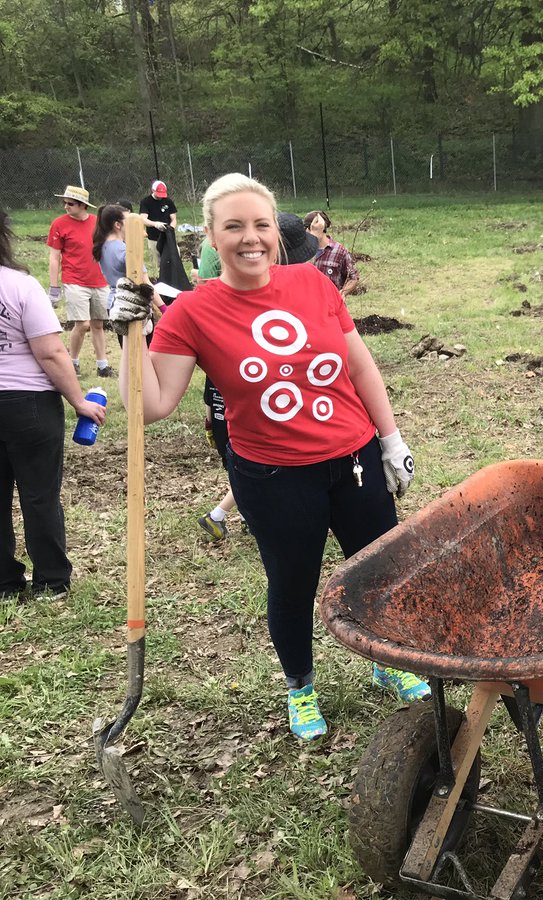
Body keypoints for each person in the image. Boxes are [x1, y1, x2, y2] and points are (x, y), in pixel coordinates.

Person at [109, 174, 429, 741]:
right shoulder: (192, 312)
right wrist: (128, 333)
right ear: (209, 235)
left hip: (354, 459)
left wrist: (391, 438)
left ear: (276, 232)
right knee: (293, 582)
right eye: (233, 227)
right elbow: (152, 406)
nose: (250, 238)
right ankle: (301, 688)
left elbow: (360, 367)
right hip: (272, 477)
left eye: (260, 225)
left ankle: (388, 662)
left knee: (381, 570)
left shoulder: (314, 284)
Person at [0, 206, 107, 600]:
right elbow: (50, 353)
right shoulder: (20, 285)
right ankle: (51, 581)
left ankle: (5, 584)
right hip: (27, 403)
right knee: (39, 493)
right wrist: (79, 400)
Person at [196, 212, 318, 542]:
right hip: (260, 433)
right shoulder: (223, 310)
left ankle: (224, 514)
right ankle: (233, 515)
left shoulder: (307, 292)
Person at [48, 186, 114, 378]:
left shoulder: (97, 223)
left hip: (100, 281)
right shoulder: (59, 224)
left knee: (98, 324)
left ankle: (102, 366)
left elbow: (108, 247)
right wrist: (54, 287)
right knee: (82, 323)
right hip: (74, 280)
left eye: (70, 203)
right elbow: (54, 257)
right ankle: (73, 362)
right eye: (64, 203)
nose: (65, 206)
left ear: (83, 205)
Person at [303, 210, 361, 297]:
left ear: (323, 228)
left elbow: (353, 278)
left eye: (310, 228)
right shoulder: (302, 251)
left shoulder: (339, 251)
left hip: (332, 306)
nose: (307, 231)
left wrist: (343, 293)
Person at [138, 180, 178, 275]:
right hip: (154, 237)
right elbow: (143, 219)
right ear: (153, 190)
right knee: (157, 262)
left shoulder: (168, 201)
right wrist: (155, 224)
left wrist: (170, 229)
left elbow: (174, 219)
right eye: (158, 194)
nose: (161, 197)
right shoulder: (146, 202)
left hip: (168, 236)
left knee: (174, 258)